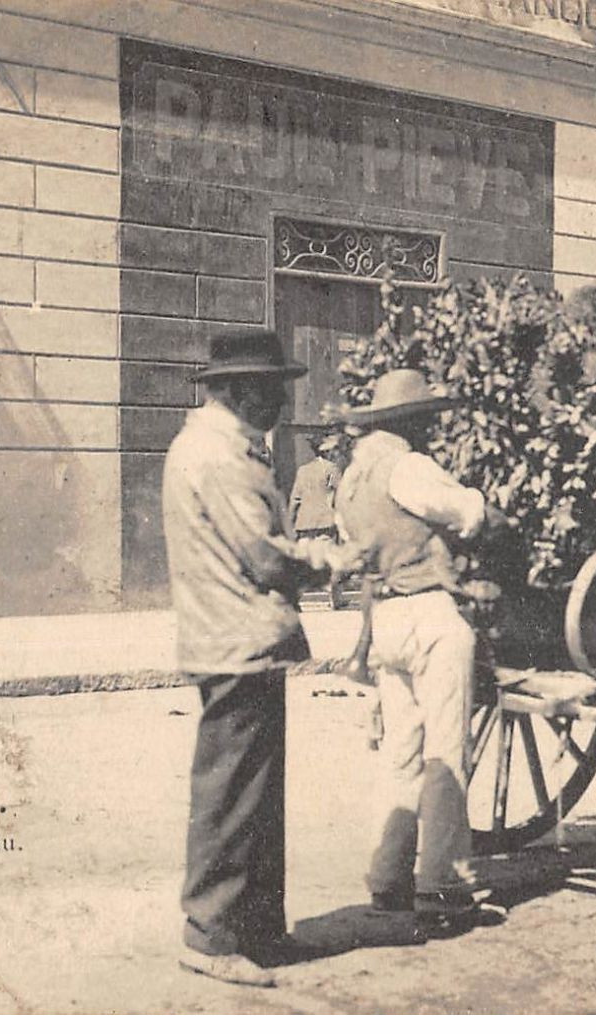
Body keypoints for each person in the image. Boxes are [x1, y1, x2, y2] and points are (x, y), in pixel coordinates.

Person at [162, 330, 352, 988]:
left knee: (256, 795)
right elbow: (265, 555)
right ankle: (211, 935)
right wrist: (329, 558)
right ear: (238, 387)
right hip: (234, 640)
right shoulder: (220, 456)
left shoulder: (219, 446)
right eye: (271, 388)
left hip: (238, 639)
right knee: (233, 796)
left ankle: (258, 930)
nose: (279, 400)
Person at [334, 368, 505, 938]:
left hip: (384, 617)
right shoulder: (408, 465)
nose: (432, 427)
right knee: (446, 754)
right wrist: (490, 512)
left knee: (401, 752)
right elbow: (465, 513)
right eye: (426, 418)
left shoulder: (353, 477)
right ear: (409, 421)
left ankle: (388, 878)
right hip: (431, 616)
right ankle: (443, 886)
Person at [288, 432, 343, 542]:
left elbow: (295, 500)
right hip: (325, 524)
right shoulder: (331, 469)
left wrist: (289, 524)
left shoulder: (303, 470)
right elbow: (341, 497)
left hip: (304, 524)